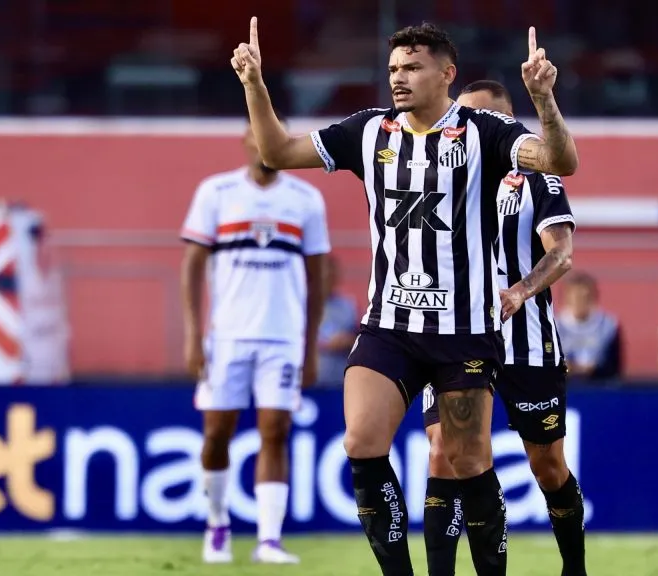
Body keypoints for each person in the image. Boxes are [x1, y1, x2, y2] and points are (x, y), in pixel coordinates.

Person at [230, 17, 577, 576]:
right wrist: (254, 84)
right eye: (394, 67)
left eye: (413, 67)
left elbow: (561, 162)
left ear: (446, 73)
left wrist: (543, 99)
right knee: (361, 442)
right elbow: (276, 151)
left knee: (467, 461)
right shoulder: (369, 130)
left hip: (463, 330)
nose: (399, 77)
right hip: (389, 325)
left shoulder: (485, 130)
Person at [421, 80, 587, 576]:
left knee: (547, 465)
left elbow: (561, 253)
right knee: (443, 454)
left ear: (507, 123)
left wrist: (519, 290)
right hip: (454, 336)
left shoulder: (536, 179)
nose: (465, 127)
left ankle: (574, 568)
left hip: (526, 343)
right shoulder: (436, 176)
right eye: (460, 117)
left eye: (481, 117)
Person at [180, 121, 330, 564]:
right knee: (216, 433)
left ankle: (269, 540)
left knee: (275, 431)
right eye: (257, 137)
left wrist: (310, 345)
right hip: (226, 335)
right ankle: (217, 524)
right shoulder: (216, 192)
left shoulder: (306, 199)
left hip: (282, 337)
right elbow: (191, 266)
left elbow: (317, 279)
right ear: (247, 143)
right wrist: (193, 334)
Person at [556, 272, 623, 381]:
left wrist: (593, 370)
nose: (580, 303)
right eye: (576, 298)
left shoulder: (609, 326)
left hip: (598, 385)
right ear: (567, 299)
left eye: (585, 298)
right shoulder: (554, 327)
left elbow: (614, 368)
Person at [317, 254, 359, 386]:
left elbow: (361, 340)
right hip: (310, 383)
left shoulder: (348, 306)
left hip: (339, 383)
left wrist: (347, 340)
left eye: (332, 275)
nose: (328, 280)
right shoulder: (301, 306)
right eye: (325, 275)